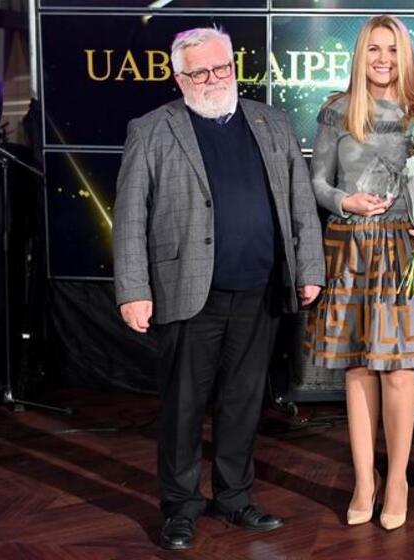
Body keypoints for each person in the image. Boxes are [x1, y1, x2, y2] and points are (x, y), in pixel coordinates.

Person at [112, 27, 325, 550]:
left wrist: (309, 268)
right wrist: (133, 289)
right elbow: (130, 217)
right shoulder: (152, 129)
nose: (214, 79)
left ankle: (234, 497)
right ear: (180, 77)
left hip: (260, 289)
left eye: (222, 68)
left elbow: (300, 201)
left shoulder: (272, 122)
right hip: (187, 292)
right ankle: (180, 507)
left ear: (234, 67)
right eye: (201, 72)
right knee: (183, 407)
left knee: (243, 402)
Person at [305, 14, 414, 531]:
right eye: (373, 49)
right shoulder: (337, 110)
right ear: (360, 55)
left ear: (405, 55)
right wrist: (345, 201)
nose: (383, 59)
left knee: (399, 372)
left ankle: (396, 481)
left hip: (406, 250)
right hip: (350, 249)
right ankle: (364, 480)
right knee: (358, 369)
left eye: (392, 49)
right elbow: (318, 182)